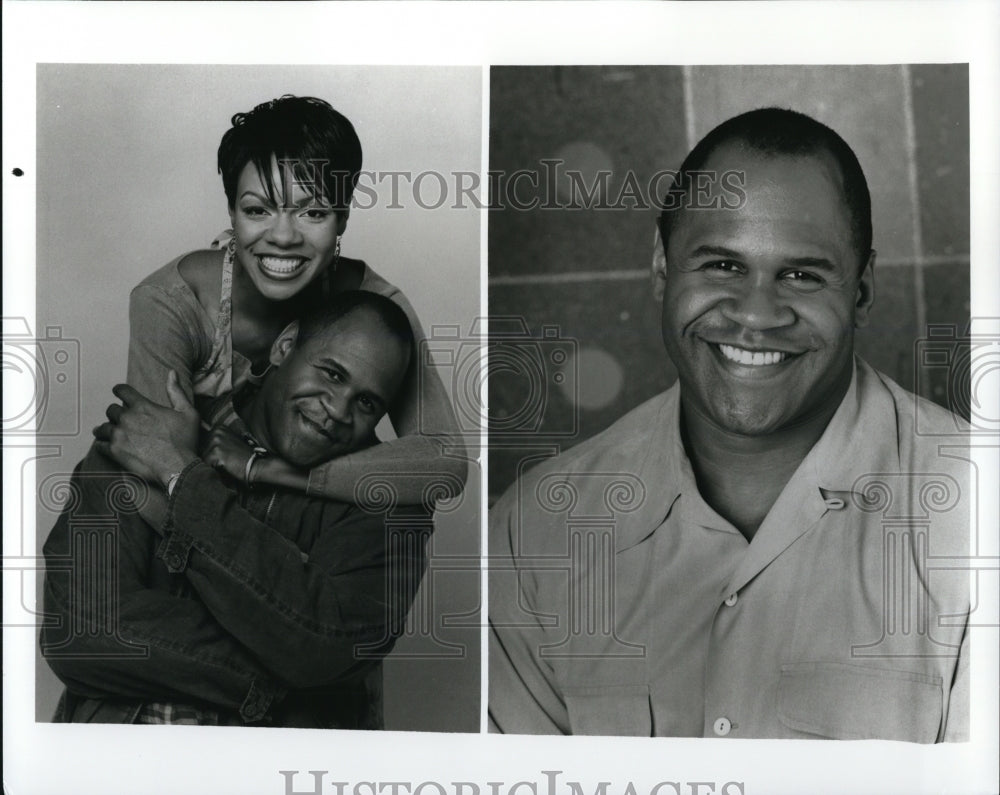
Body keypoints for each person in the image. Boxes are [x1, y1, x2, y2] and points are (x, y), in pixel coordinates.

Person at [488, 108, 970, 741]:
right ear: (662, 269)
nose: (757, 315)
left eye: (801, 275)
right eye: (722, 266)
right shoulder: (535, 533)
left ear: (862, 290)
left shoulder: (974, 514)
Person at [41, 291, 432, 728]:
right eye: (332, 373)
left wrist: (180, 476)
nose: (338, 410)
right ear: (285, 347)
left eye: (366, 403)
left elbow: (328, 646)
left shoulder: (388, 500)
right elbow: (79, 634)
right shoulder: (148, 436)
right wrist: (285, 673)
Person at [127, 94, 465, 506]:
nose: (284, 237)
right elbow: (150, 463)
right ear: (232, 212)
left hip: (326, 530)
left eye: (313, 213)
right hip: (205, 533)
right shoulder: (172, 303)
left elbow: (445, 461)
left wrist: (271, 472)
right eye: (258, 211)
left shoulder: (373, 304)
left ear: (342, 219)